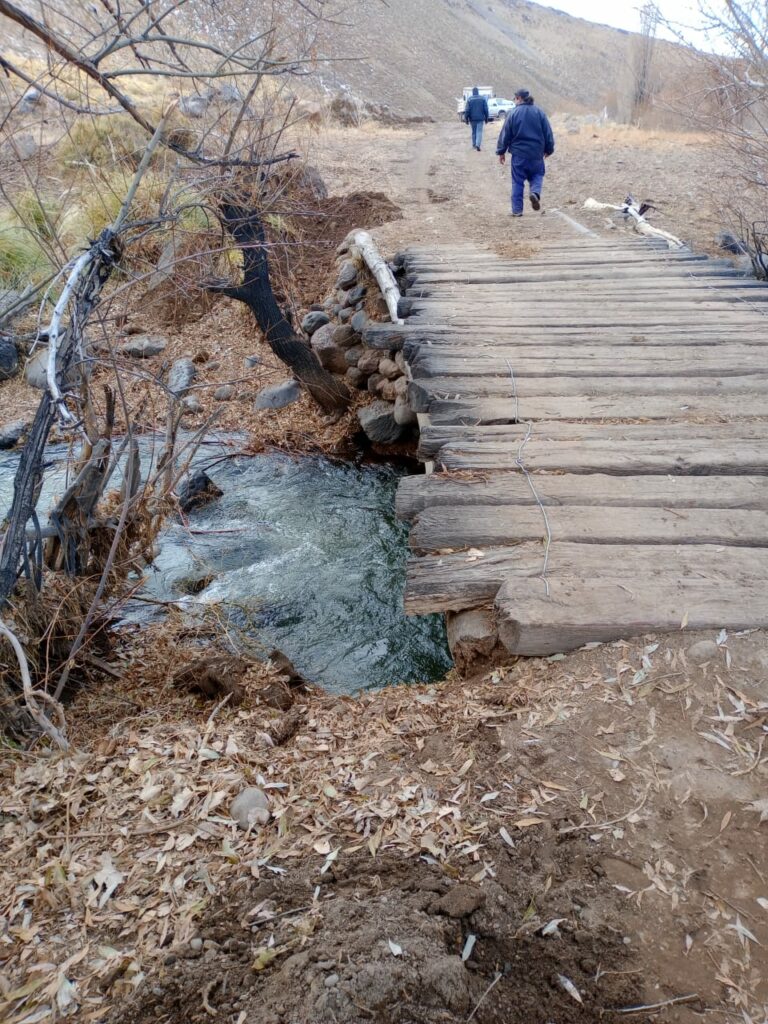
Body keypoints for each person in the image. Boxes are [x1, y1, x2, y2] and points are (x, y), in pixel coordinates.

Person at [496, 89, 555, 216]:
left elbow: (505, 134)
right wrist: (549, 149)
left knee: (517, 181)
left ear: (518, 98)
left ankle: (517, 210)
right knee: (537, 175)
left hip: (519, 155)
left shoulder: (513, 113)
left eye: (515, 99)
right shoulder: (539, 112)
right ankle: (535, 193)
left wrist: (501, 151)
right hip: (536, 154)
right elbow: (548, 133)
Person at [463, 87, 489, 151]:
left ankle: (474, 144)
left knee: (474, 132)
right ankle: (478, 144)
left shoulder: (469, 99)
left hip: (472, 119)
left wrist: (466, 119)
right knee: (479, 132)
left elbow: (467, 110)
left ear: (472, 92)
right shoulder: (482, 99)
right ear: (478, 92)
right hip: (480, 119)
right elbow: (486, 109)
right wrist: (486, 118)